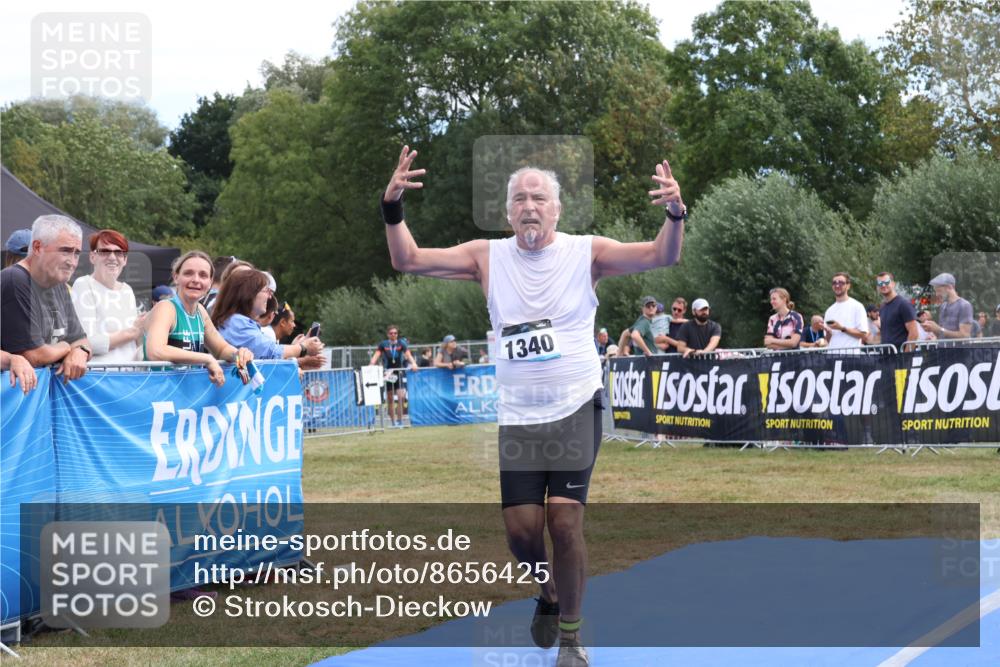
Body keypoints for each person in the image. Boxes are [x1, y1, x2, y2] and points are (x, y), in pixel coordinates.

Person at [381, 146, 685, 667]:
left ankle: (571, 639)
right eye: (520, 198)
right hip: (520, 416)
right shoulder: (486, 256)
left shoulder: (586, 252)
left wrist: (675, 213)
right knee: (522, 535)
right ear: (507, 212)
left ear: (557, 209)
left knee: (564, 522)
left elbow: (661, 254)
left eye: (539, 197)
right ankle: (547, 593)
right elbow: (407, 259)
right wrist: (392, 207)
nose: (529, 205)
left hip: (575, 406)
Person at [0, 215, 91, 382]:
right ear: (37, 247)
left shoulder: (59, 283)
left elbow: (80, 339)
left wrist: (80, 351)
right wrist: (66, 347)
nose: (72, 262)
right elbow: (34, 355)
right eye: (65, 251)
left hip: (36, 392)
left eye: (76, 253)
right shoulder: (15, 280)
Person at [144, 250, 253, 386]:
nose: (196, 280)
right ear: (176, 277)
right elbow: (155, 351)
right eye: (188, 273)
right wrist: (206, 359)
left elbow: (221, 349)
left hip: (186, 393)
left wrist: (238, 354)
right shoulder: (166, 307)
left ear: (210, 282)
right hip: (159, 392)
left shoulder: (200, 311)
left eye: (203, 275)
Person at [211, 268, 324, 366]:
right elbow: (268, 352)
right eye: (266, 290)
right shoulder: (237, 322)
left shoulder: (234, 321)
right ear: (249, 293)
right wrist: (303, 348)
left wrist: (301, 346)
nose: (270, 297)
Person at [70, 229, 144, 363]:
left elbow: (134, 345)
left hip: (131, 373)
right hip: (100, 374)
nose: (112, 257)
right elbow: (84, 343)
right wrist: (132, 333)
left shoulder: (127, 290)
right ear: (93, 257)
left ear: (125, 259)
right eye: (104, 251)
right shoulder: (84, 285)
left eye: (119, 252)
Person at [369, 324, 417, 426]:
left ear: (397, 334)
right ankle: (393, 422)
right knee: (390, 399)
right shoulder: (383, 344)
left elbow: (408, 354)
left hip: (399, 372)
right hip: (388, 373)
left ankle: (400, 421)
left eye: (395, 333)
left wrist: (414, 363)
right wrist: (371, 364)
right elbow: (376, 355)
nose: (393, 335)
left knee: (401, 397)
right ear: (388, 334)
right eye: (391, 333)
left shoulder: (401, 343)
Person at [823, 272, 868, 349]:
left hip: (850, 354)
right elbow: (828, 340)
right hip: (832, 354)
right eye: (834, 283)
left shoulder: (857, 306)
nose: (837, 285)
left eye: (841, 283)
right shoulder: (829, 311)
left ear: (848, 286)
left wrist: (841, 328)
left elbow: (864, 335)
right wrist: (828, 333)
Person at [922, 273, 973, 340]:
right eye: (936, 291)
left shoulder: (964, 305)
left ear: (949, 287)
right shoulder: (943, 306)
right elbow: (943, 332)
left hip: (958, 347)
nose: (937, 294)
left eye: (939, 290)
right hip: (943, 346)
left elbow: (965, 335)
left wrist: (938, 329)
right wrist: (933, 331)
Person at [875, 272, 918, 351]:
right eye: (880, 283)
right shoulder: (882, 307)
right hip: (885, 355)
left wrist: (905, 355)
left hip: (900, 355)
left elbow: (914, 333)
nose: (883, 285)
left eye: (886, 282)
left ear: (893, 284)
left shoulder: (903, 304)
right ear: (877, 287)